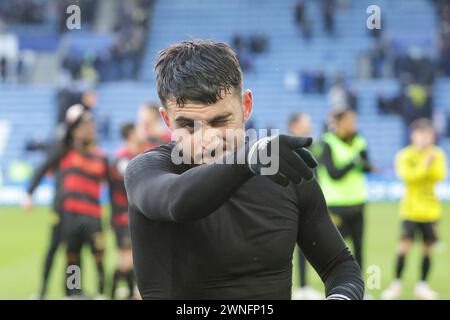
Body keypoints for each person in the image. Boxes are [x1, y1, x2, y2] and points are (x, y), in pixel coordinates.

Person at [124, 40, 364, 300]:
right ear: (166, 119)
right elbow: (178, 202)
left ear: (246, 105)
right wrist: (247, 158)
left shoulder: (282, 172)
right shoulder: (147, 170)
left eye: (220, 121)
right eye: (189, 126)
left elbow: (340, 266)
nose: (208, 140)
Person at [21, 104, 89, 299]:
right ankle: (43, 291)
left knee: (74, 251)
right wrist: (29, 193)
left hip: (80, 209)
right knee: (54, 248)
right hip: (61, 207)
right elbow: (43, 167)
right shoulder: (62, 148)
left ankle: (73, 290)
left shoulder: (86, 147)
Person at [382, 119, 447, 300]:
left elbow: (440, 175)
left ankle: (423, 285)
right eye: (422, 135)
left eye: (429, 135)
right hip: (410, 211)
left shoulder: (438, 154)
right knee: (403, 248)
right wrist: (425, 165)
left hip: (431, 211)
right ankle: (396, 284)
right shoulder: (405, 155)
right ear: (413, 135)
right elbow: (409, 177)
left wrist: (427, 166)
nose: (426, 139)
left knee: (428, 249)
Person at [58, 107, 111, 299]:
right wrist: (80, 115)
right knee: (73, 256)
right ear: (75, 131)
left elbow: (112, 189)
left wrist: (114, 216)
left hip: (93, 216)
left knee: (99, 257)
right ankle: (74, 292)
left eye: (91, 127)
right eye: (83, 127)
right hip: (72, 216)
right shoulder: (67, 151)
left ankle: (100, 291)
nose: (88, 131)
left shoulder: (102, 157)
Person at [317, 109, 374, 271]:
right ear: (338, 122)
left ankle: (359, 290)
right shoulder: (327, 142)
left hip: (357, 201)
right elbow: (334, 174)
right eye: (350, 121)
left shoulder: (360, 141)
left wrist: (365, 164)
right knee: (336, 250)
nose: (353, 125)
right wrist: (354, 162)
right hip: (336, 204)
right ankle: (336, 287)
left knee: (359, 248)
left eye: (354, 121)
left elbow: (367, 167)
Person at [110, 123, 148, 299]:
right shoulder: (122, 159)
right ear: (132, 135)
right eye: (140, 130)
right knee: (128, 260)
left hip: (135, 215)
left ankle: (127, 292)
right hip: (123, 217)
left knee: (133, 259)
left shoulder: (137, 155)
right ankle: (118, 292)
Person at [288, 113, 322, 300]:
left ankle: (302, 287)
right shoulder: (286, 149)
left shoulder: (310, 146)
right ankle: (296, 287)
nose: (309, 126)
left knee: (305, 245)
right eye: (305, 123)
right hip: (293, 202)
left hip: (307, 202)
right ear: (294, 126)